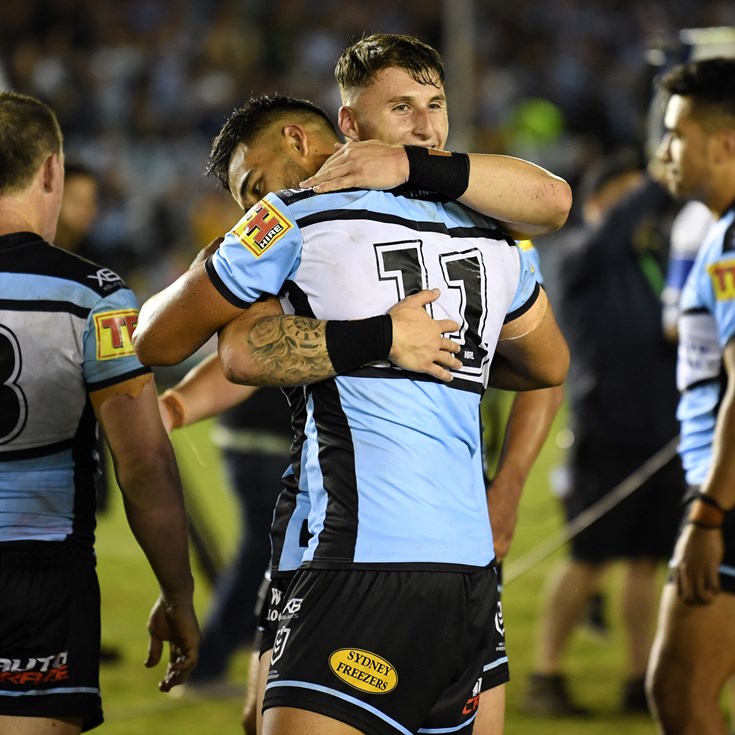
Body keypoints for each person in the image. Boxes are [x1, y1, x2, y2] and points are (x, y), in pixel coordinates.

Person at [133, 38, 569, 735]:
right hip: (466, 569)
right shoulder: (495, 233)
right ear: (353, 122)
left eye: (432, 105)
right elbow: (548, 362)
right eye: (403, 108)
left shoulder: (294, 217)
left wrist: (373, 335)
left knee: (261, 714)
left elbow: (175, 342)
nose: (424, 124)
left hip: (359, 554)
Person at [0, 90, 200, 734]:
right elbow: (143, 463)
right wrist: (178, 593)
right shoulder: (94, 298)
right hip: (38, 572)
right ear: (52, 170)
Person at [522, 150, 687, 717]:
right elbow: (615, 228)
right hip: (606, 430)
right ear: (595, 204)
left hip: (663, 433)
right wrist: (657, 178)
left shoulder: (653, 259)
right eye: (625, 198)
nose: (640, 210)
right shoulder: (578, 255)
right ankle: (545, 676)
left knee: (647, 561)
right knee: (588, 559)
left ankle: (640, 679)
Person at [645, 56, 735, 735]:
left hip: (725, 496)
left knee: (678, 689)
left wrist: (707, 514)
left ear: (724, 143)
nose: (664, 151)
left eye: (676, 134)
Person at [159, 359, 291, 697]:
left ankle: (243, 645)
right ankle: (207, 664)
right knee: (264, 558)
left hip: (256, 436)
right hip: (268, 438)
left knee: (266, 555)